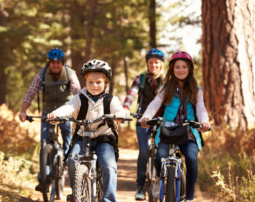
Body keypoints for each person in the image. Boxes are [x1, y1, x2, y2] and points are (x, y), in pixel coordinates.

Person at [47, 59, 127, 202]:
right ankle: (77, 193)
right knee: (72, 160)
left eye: (98, 82)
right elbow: (69, 107)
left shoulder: (111, 100)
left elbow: (119, 110)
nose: (94, 85)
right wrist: (57, 114)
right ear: (85, 82)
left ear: (106, 82)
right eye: (90, 82)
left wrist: (121, 115)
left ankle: (108, 199)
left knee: (109, 165)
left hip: (104, 139)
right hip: (81, 137)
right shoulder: (79, 98)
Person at [139, 51, 210, 201]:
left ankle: (190, 197)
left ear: (189, 69)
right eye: (177, 67)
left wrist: (204, 122)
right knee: (160, 157)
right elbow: (154, 104)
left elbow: (201, 109)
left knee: (191, 159)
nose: (181, 70)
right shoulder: (166, 88)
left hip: (188, 131)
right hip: (167, 131)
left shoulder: (196, 90)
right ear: (172, 69)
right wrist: (146, 117)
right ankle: (158, 179)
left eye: (184, 67)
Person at [18, 48, 81, 191]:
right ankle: (44, 180)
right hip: (47, 112)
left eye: (58, 63)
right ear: (49, 63)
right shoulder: (41, 74)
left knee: (67, 137)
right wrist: (23, 110)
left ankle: (65, 163)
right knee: (44, 143)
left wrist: (81, 110)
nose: (56, 65)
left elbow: (77, 92)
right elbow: (30, 93)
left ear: (62, 63)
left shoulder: (70, 74)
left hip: (65, 110)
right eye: (53, 63)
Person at [122, 48, 165, 200]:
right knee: (144, 151)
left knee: (163, 152)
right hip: (142, 119)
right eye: (151, 62)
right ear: (147, 63)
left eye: (156, 63)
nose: (153, 65)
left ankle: (164, 180)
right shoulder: (140, 78)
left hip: (161, 120)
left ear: (161, 64)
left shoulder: (167, 80)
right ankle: (140, 186)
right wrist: (126, 107)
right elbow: (131, 94)